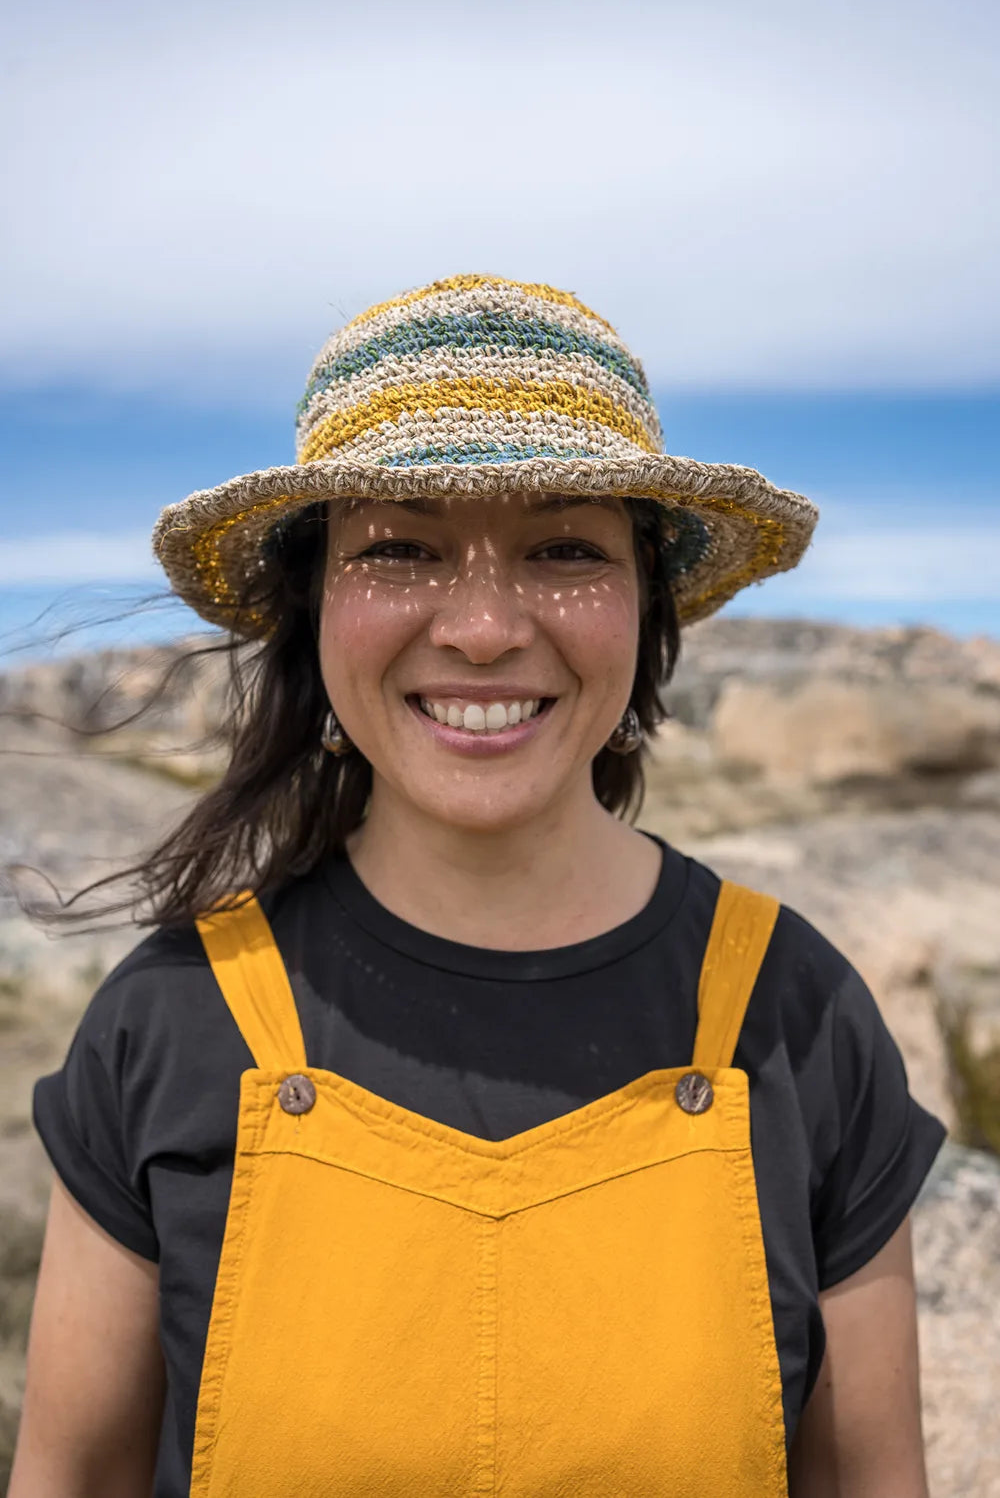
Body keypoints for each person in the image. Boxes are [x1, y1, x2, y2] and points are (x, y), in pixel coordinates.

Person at [11, 274, 945, 1497]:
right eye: (400, 549)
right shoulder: (169, 1021)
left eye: (564, 549)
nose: (487, 627)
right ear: (312, 603)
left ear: (647, 603)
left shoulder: (798, 1014)